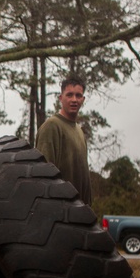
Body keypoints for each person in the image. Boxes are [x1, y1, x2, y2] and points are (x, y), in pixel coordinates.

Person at [35, 77, 92, 205]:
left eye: (78, 96)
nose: (74, 100)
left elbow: (84, 176)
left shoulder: (79, 131)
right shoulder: (52, 126)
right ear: (61, 98)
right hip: (60, 211)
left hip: (80, 212)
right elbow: (43, 175)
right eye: (69, 95)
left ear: (83, 100)